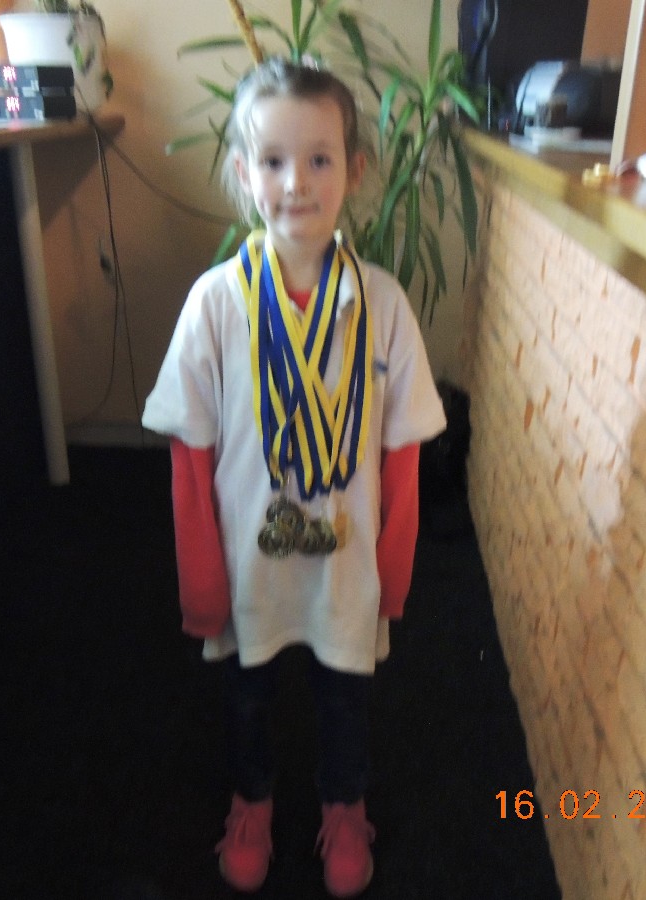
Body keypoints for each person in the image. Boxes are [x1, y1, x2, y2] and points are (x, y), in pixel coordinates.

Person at [141, 56, 446, 897]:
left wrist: (393, 574)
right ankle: (253, 804)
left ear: (356, 170)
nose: (297, 183)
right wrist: (202, 580)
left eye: (319, 159)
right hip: (251, 564)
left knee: (345, 697)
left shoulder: (383, 305)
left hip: (346, 565)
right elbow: (189, 455)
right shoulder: (215, 303)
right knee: (247, 696)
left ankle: (344, 806)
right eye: (273, 160)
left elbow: (404, 455)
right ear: (244, 174)